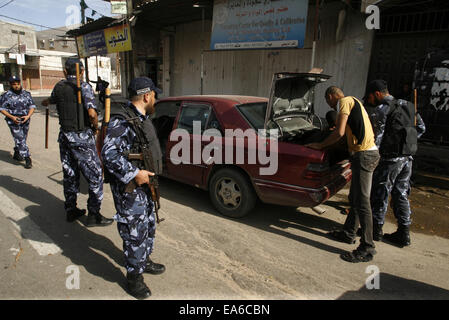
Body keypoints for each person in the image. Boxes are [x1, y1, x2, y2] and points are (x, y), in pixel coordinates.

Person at [101, 77, 165, 299]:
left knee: (147, 226)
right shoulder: (123, 121)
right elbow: (108, 155)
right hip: (131, 188)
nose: (155, 98)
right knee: (134, 232)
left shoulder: (141, 118)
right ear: (147, 96)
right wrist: (134, 173)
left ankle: (143, 260)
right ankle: (134, 277)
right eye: (154, 95)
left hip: (146, 187)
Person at [306, 86, 380, 263]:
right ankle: (348, 233)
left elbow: (339, 132)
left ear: (331, 96)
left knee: (362, 202)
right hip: (364, 154)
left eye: (328, 101)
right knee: (355, 198)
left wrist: (320, 145)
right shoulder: (356, 102)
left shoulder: (344, 102)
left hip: (364, 155)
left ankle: (367, 247)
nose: (330, 106)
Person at [42, 58, 113, 226]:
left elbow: (50, 101)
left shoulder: (59, 86)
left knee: (70, 174)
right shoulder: (84, 87)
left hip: (65, 136)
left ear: (65, 72)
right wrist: (95, 127)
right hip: (81, 138)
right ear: (81, 71)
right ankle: (94, 215)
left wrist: (47, 102)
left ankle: (71, 210)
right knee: (96, 176)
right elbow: (92, 113)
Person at [365, 80, 426, 247]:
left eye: (371, 97)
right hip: (407, 158)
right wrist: (406, 144)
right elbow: (421, 128)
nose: (370, 101)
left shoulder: (383, 109)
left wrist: (373, 157)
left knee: (381, 193)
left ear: (377, 94)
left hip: (390, 160)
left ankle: (376, 230)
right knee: (401, 193)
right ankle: (404, 233)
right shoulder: (408, 105)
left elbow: (378, 137)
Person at [0, 76, 36, 169]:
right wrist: (12, 117)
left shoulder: (26, 94)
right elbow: (2, 109)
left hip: (25, 119)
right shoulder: (6, 95)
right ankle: (27, 158)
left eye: (17, 83)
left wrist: (28, 116)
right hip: (13, 121)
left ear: (20, 83)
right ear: (11, 84)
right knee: (20, 138)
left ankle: (17, 152)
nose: (16, 86)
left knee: (23, 138)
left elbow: (32, 106)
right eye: (14, 84)